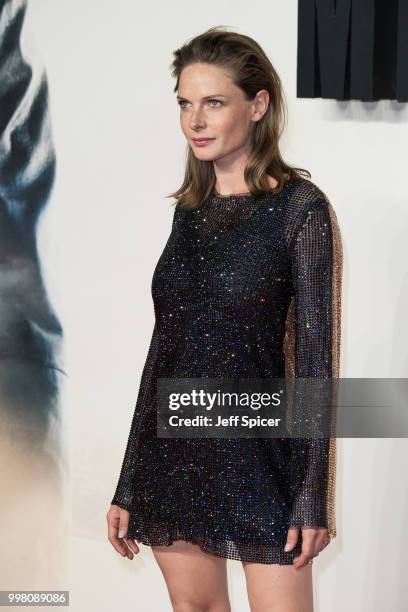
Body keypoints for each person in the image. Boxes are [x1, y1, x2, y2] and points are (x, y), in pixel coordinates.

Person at [107, 26, 342, 612]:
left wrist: (312, 497)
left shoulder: (300, 211)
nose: (196, 121)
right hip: (175, 454)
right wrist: (129, 479)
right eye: (186, 104)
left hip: (261, 456)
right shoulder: (189, 214)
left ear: (257, 104)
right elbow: (164, 350)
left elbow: (317, 362)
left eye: (214, 102)